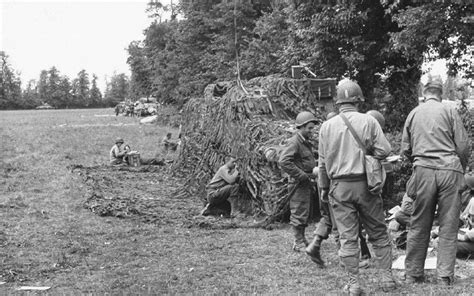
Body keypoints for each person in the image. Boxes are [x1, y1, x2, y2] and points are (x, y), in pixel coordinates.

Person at [317, 79, 395, 295]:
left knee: (347, 237)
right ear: (359, 100)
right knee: (378, 232)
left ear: (337, 102)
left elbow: (322, 164)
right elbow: (385, 150)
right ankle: (387, 279)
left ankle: (353, 284)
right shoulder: (369, 121)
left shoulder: (326, 126)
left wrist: (324, 189)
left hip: (339, 187)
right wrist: (368, 155)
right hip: (366, 185)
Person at [401, 73, 470, 286]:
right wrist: (460, 167)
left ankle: (413, 274)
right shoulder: (450, 110)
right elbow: (463, 146)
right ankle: (444, 276)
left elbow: (405, 149)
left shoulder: (414, 113)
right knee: (449, 225)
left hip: (423, 170)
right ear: (441, 94)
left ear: (424, 93)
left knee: (419, 223)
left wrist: (420, 160)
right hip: (450, 170)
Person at [279, 111, 320, 252]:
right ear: (301, 127)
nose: (311, 130)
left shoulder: (304, 142)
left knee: (304, 211)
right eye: (309, 127)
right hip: (298, 184)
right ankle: (298, 242)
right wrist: (301, 175)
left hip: (305, 182)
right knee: (298, 212)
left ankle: (302, 239)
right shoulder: (294, 142)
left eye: (312, 127)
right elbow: (284, 161)